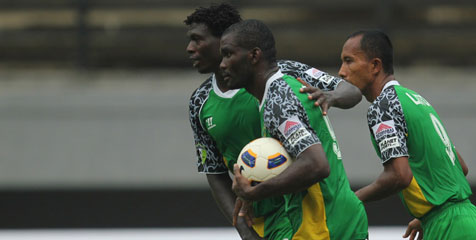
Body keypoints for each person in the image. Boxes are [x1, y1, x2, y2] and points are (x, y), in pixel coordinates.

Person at [185, 4, 363, 239]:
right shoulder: (200, 102)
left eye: (198, 40)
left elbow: (351, 91)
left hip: (309, 213)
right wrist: (243, 228)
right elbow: (214, 170)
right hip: (265, 216)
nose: (190, 48)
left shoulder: (282, 78)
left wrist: (331, 96)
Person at [337, 30, 476, 240]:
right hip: (465, 218)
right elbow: (460, 166)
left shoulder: (383, 106)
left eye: (349, 61)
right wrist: (429, 213)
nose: (341, 72)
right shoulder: (414, 99)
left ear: (375, 66)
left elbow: (399, 175)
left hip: (449, 228)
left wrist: (352, 199)